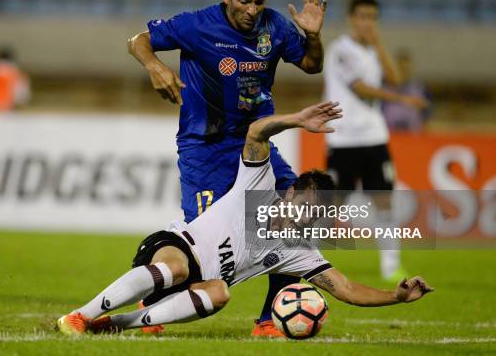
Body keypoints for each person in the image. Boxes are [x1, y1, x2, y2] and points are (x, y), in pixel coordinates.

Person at [55, 102, 433, 335]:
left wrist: (396, 298)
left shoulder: (298, 250)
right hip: (172, 247)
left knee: (221, 293)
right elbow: (255, 133)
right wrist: (297, 120)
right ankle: (79, 316)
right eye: (308, 202)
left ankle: (114, 325)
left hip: (195, 288)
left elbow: (346, 289)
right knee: (178, 267)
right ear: (291, 192)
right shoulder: (260, 185)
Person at [128, 0, 327, 336]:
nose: (252, 10)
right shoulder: (198, 25)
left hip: (255, 144)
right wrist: (155, 65)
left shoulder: (275, 27)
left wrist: (313, 35)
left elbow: (312, 64)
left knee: (298, 213)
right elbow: (136, 40)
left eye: (259, 2)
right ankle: (155, 301)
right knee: (204, 245)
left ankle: (271, 317)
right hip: (205, 148)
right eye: (243, 1)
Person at [322, 0, 427, 282]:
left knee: (384, 202)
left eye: (372, 17)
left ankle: (391, 267)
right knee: (332, 205)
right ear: (351, 18)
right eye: (362, 16)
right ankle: (310, 261)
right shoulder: (340, 50)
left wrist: (379, 45)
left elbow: (393, 78)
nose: (367, 22)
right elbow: (362, 89)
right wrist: (403, 99)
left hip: (374, 138)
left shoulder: (371, 51)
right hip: (343, 139)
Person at [382, 50, 430, 132]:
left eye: (406, 68)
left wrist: (425, 124)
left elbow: (426, 110)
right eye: (400, 68)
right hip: (389, 131)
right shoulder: (383, 87)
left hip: (412, 132)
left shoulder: (419, 87)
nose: (403, 71)